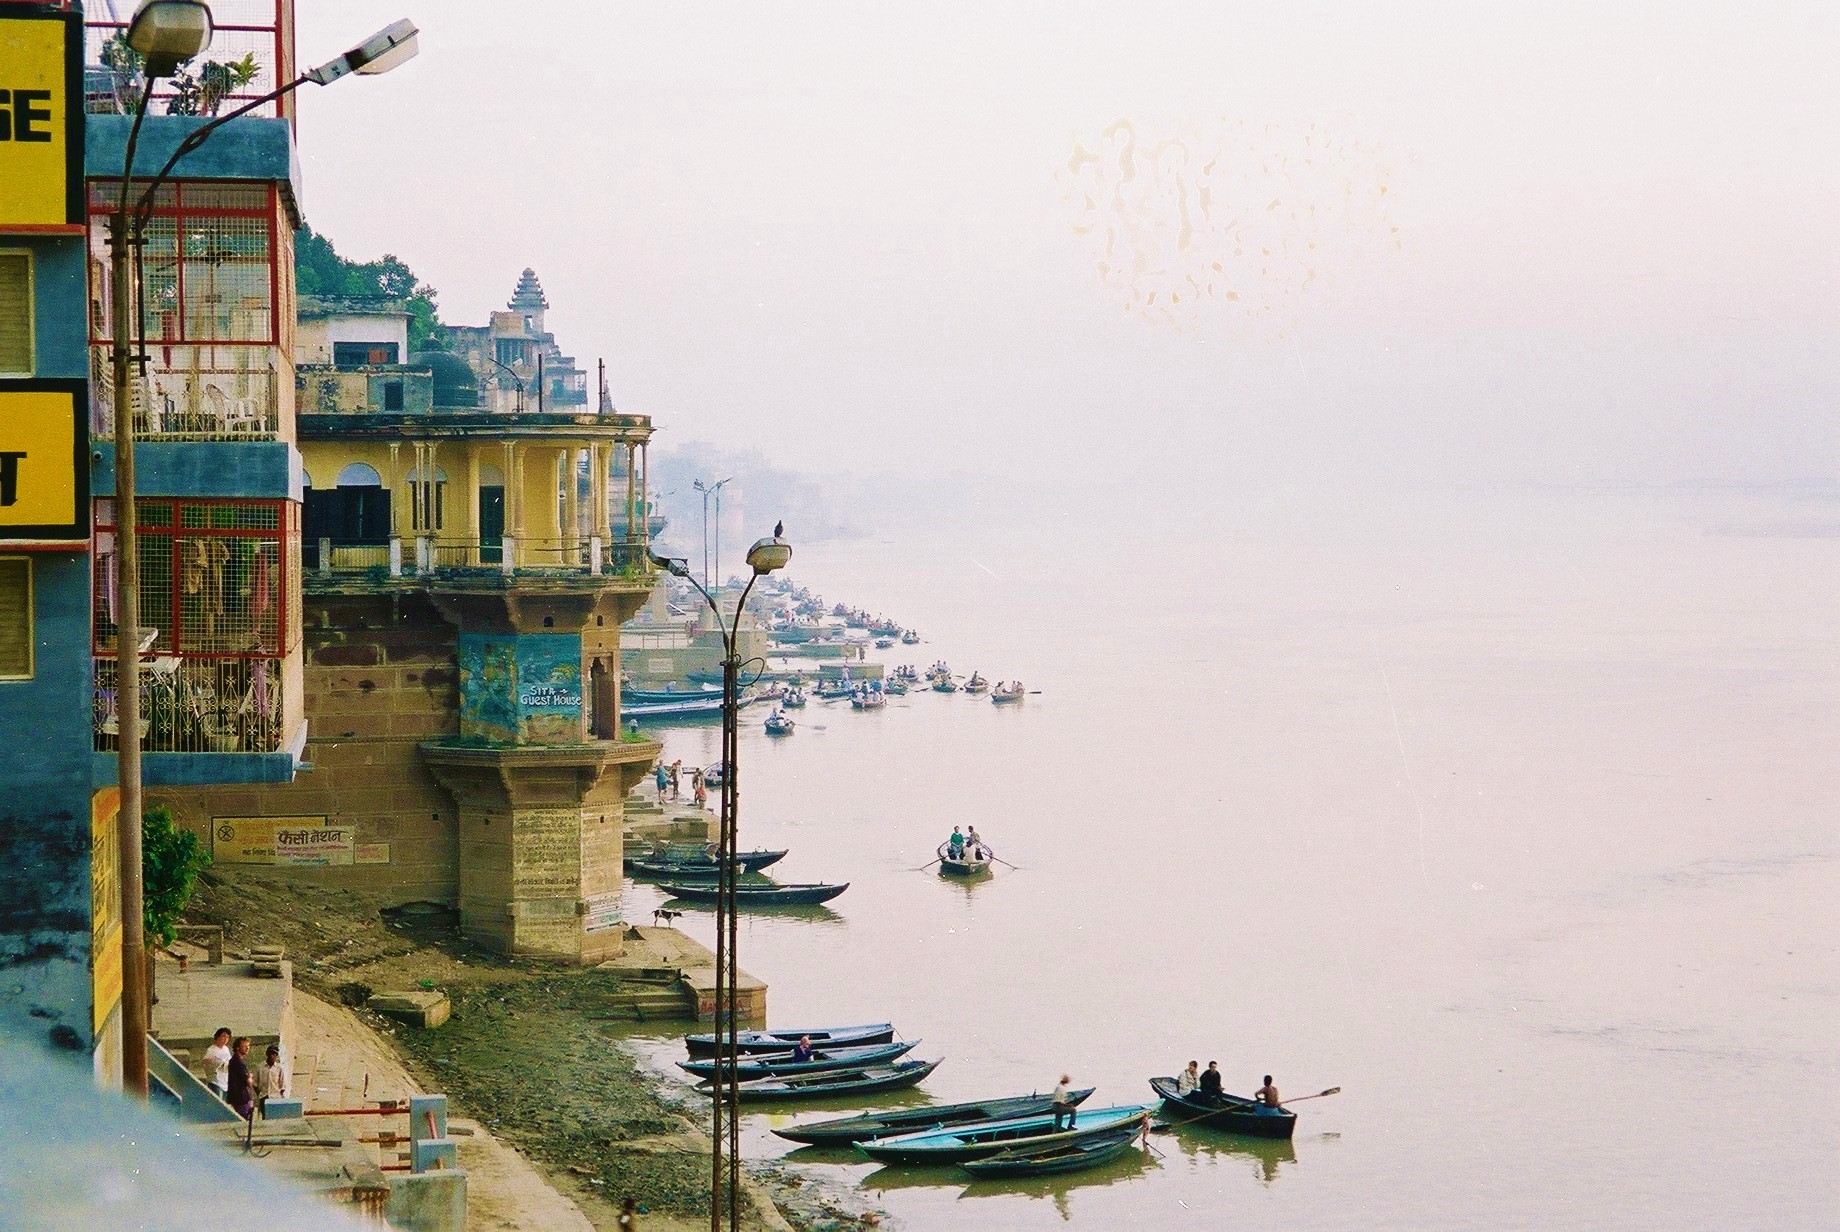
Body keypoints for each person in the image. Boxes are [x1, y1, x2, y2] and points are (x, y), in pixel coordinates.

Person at [226, 1036, 256, 1121]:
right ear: (237, 1048)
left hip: (238, 1098)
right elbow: (249, 1082)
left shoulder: (235, 1061)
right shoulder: (239, 1063)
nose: (247, 1048)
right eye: (244, 1046)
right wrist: (250, 1076)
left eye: (248, 1046)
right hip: (241, 1098)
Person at [203, 1027, 233, 1099]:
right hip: (215, 1081)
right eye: (223, 1036)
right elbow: (206, 1061)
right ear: (218, 1037)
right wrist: (217, 1063)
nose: (225, 1039)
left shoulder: (226, 1049)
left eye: (227, 1037)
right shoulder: (212, 1050)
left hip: (225, 1080)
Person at [258, 1044, 288, 1118]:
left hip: (275, 1097)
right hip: (264, 1096)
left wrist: (278, 1095)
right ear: (267, 1054)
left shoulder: (279, 1068)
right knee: (265, 1117)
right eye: (271, 1053)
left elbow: (282, 1085)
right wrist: (260, 1093)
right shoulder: (260, 1067)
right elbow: (255, 1083)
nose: (272, 1056)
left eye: (274, 1054)